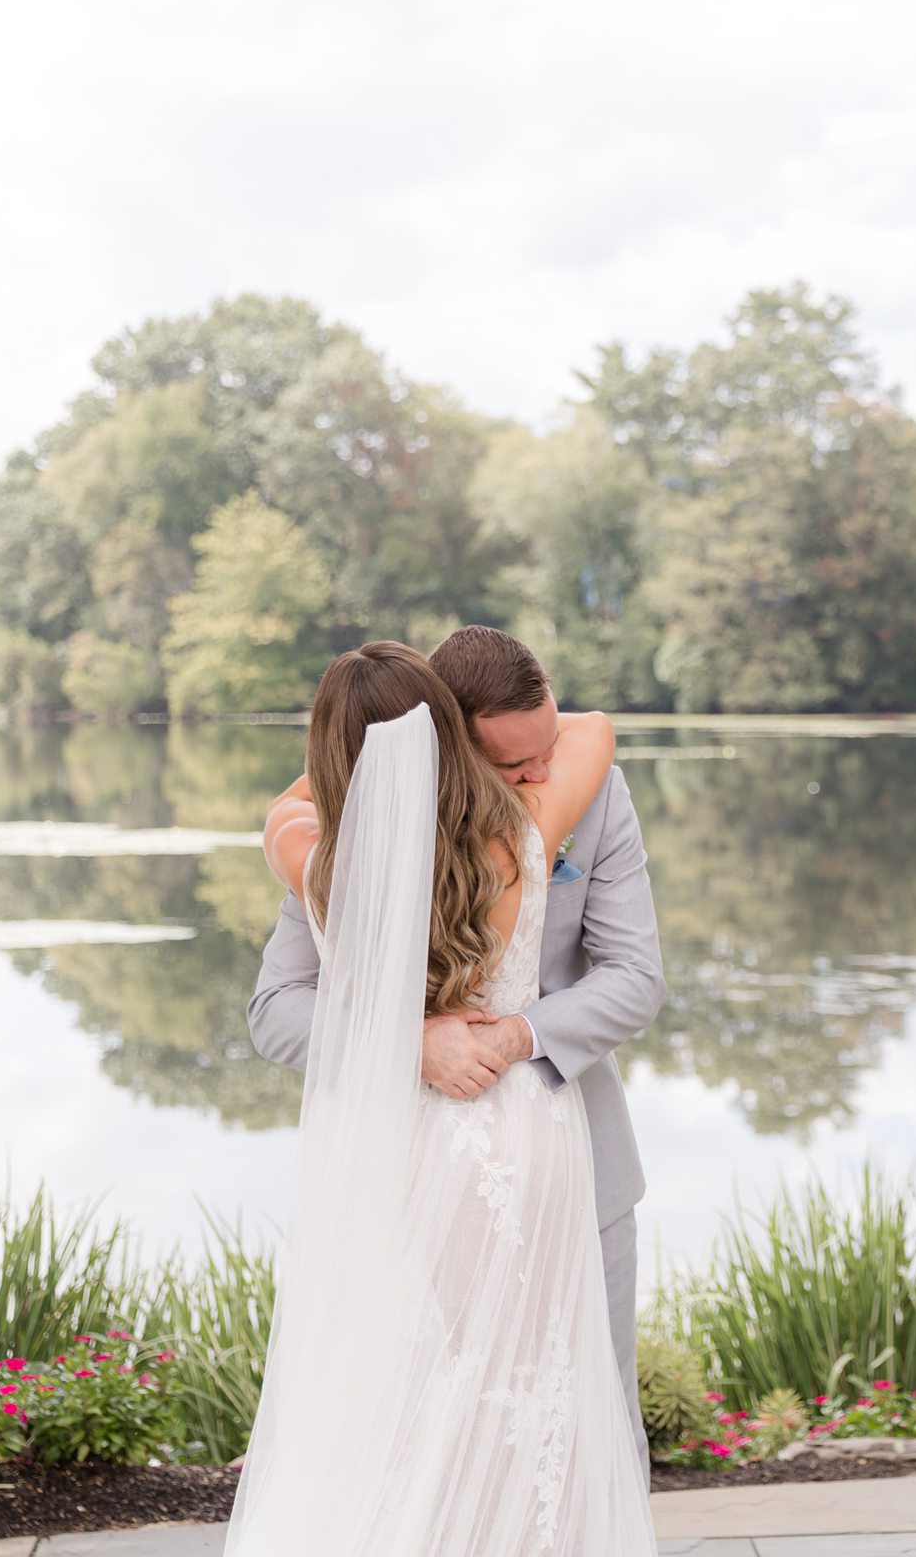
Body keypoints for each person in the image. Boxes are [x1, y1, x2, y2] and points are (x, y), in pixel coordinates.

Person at [226, 642, 654, 1555]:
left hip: (576, 1167)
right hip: (409, 1190)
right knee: (421, 1425)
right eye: (514, 764)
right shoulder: (527, 827)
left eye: (545, 751)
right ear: (448, 744)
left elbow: (635, 980)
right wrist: (409, 1043)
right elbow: (276, 1012)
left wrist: (513, 1036)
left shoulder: (308, 843)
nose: (541, 771)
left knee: (589, 1427)